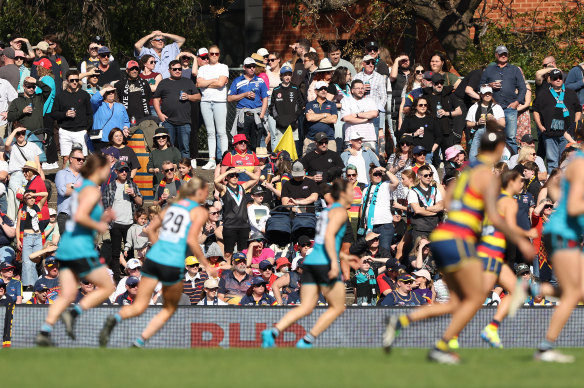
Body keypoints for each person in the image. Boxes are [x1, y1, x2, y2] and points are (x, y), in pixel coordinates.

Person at [383, 130, 534, 364]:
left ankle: (402, 321)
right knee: (474, 299)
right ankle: (445, 345)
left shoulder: (466, 172)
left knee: (457, 302)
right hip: (458, 239)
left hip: (443, 235)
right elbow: (494, 214)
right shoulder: (485, 175)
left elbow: (450, 198)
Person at [99, 176, 216, 347]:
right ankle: (140, 340)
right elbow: (192, 240)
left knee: (140, 304)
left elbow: (149, 229)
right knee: (169, 308)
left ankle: (115, 318)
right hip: (171, 263)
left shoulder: (172, 207)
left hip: (154, 259)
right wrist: (206, 265)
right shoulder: (198, 211)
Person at [507, 125, 584, 362]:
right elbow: (571, 206)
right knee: (574, 292)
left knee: (575, 291)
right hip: (562, 233)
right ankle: (545, 347)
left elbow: (556, 186)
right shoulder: (580, 164)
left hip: (565, 233)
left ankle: (529, 289)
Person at [261, 179, 358, 348]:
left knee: (306, 307)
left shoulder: (327, 211)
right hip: (323, 262)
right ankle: (307, 341)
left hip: (311, 261)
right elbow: (328, 237)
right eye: (350, 191)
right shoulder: (340, 212)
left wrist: (346, 257)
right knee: (338, 307)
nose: (354, 194)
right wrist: (335, 264)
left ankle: (273, 332)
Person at [35, 154, 116, 346]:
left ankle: (44, 333)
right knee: (108, 287)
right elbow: (81, 216)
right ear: (99, 169)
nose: (109, 171)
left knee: (68, 294)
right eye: (107, 167)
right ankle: (74, 313)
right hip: (80, 247)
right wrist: (100, 226)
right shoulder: (92, 191)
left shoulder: (81, 188)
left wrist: (101, 219)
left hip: (67, 246)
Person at [477, 170, 538, 349]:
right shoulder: (509, 202)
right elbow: (510, 227)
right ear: (510, 182)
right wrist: (527, 235)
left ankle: (491, 328)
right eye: (520, 181)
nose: (522, 184)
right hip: (494, 252)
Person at [102, 160, 143, 283]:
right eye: (121, 170)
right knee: (115, 253)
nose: (124, 172)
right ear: (116, 171)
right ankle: (116, 278)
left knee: (129, 252)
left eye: (126, 170)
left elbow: (141, 203)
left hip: (130, 223)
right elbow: (105, 206)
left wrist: (134, 195)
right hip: (115, 224)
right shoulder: (110, 186)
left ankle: (132, 276)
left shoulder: (132, 185)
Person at [480, 46, 527, 152]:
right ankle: (492, 162)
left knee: (511, 138)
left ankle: (513, 164)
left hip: (510, 108)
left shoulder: (515, 70)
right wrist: (489, 85)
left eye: (505, 53)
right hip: (492, 109)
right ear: (496, 55)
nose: (503, 56)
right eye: (501, 54)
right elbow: (480, 86)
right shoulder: (489, 70)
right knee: (492, 137)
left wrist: (517, 102)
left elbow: (523, 88)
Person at [533, 69, 581, 172]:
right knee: (552, 161)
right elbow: (535, 110)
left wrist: (575, 124)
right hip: (549, 133)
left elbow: (578, 110)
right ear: (550, 80)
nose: (558, 80)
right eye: (555, 78)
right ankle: (552, 183)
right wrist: (540, 126)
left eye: (560, 77)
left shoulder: (571, 93)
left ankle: (563, 184)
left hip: (567, 134)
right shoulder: (543, 94)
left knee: (566, 160)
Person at [153, 60, 200, 158]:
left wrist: (188, 97)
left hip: (184, 120)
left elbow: (198, 96)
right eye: (175, 69)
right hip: (168, 120)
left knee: (185, 148)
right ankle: (169, 170)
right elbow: (156, 99)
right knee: (168, 147)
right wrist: (160, 114)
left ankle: (185, 170)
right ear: (169, 70)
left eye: (179, 69)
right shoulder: (163, 83)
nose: (178, 71)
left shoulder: (188, 81)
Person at [214, 167, 258, 263]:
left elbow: (256, 179)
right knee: (228, 253)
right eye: (232, 176)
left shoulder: (242, 187)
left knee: (242, 252)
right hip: (230, 225)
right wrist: (228, 172)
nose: (235, 177)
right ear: (227, 178)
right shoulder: (225, 189)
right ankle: (227, 273)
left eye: (236, 175)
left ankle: (240, 273)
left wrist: (245, 171)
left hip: (243, 225)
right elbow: (216, 181)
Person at [197, 45, 229, 169]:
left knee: (221, 132)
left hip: (219, 101)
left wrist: (207, 82)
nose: (214, 56)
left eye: (216, 53)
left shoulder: (223, 67)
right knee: (210, 132)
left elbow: (221, 83)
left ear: (219, 55)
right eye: (211, 53)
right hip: (205, 101)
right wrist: (213, 80)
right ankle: (212, 159)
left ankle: (226, 159)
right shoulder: (203, 68)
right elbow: (199, 83)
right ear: (208, 55)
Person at [228, 57, 269, 151]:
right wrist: (244, 94)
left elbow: (265, 98)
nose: (252, 68)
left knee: (256, 144)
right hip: (243, 116)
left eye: (253, 66)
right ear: (244, 67)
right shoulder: (237, 81)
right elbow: (229, 98)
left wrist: (262, 115)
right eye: (249, 66)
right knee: (242, 142)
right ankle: (243, 163)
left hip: (257, 115)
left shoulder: (260, 81)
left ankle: (255, 163)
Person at [51, 70, 93, 162]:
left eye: (77, 80)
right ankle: (66, 176)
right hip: (65, 131)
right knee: (66, 159)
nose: (74, 82)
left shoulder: (84, 95)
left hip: (81, 131)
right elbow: (53, 113)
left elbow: (89, 113)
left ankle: (81, 177)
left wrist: (87, 129)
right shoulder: (60, 96)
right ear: (67, 81)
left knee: (81, 159)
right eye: (72, 80)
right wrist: (65, 114)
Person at [357, 166, 399, 251]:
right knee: (371, 251)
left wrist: (385, 170)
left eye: (379, 174)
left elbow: (396, 181)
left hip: (384, 225)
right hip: (370, 226)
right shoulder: (365, 190)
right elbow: (363, 206)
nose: (378, 176)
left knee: (384, 251)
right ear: (370, 175)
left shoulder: (386, 184)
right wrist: (363, 221)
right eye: (375, 174)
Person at [16, 189, 48, 289]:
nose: (32, 199)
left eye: (33, 197)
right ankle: (27, 285)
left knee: (36, 261)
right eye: (29, 198)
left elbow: (45, 194)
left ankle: (34, 285)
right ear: (25, 199)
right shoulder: (22, 210)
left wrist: (34, 194)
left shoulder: (38, 206)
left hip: (38, 236)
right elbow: (18, 226)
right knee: (26, 262)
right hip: (26, 237)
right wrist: (18, 240)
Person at [466, 86, 506, 162]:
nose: (488, 95)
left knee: (494, 155)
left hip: (493, 132)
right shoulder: (474, 107)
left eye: (489, 94)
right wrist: (477, 122)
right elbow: (468, 124)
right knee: (473, 155)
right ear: (481, 95)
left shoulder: (497, 107)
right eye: (485, 94)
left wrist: (494, 120)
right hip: (478, 132)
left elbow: (503, 124)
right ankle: (473, 168)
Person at [268, 66, 303, 149]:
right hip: (280, 125)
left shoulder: (295, 88)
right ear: (281, 76)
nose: (287, 77)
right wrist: (278, 119)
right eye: (285, 75)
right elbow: (272, 107)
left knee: (292, 147)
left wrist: (294, 118)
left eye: (289, 75)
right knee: (281, 148)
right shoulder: (276, 90)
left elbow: (300, 105)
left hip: (293, 125)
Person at [407, 165, 444, 240]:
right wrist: (434, 212)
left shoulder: (435, 190)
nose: (428, 177)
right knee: (419, 251)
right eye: (425, 175)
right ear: (419, 176)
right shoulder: (413, 191)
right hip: (420, 229)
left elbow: (441, 207)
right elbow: (417, 210)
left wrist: (425, 208)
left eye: (430, 175)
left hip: (434, 228)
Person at [341, 80, 379, 151]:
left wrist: (357, 115)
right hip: (351, 139)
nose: (361, 90)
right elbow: (346, 118)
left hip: (368, 138)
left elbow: (374, 113)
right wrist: (365, 119)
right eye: (358, 88)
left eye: (362, 88)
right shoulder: (346, 101)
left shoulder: (370, 101)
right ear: (352, 90)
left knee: (369, 161)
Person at [353, 54, 386, 134]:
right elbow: (352, 94)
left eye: (373, 63)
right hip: (360, 113)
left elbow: (384, 97)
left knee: (374, 138)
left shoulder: (380, 77)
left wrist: (376, 110)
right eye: (368, 63)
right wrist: (361, 89)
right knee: (360, 136)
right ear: (363, 64)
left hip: (374, 114)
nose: (371, 65)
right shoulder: (357, 77)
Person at [90, 85, 130, 149]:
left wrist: (125, 128)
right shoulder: (98, 105)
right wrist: (105, 89)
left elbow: (126, 121)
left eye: (112, 91)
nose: (111, 93)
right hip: (100, 140)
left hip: (116, 141)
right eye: (108, 92)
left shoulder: (120, 106)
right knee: (101, 159)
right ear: (104, 93)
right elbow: (93, 99)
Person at [55, 147, 84, 233]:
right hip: (65, 216)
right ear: (71, 159)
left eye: (83, 159)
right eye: (79, 159)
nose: (81, 161)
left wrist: (71, 186)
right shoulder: (61, 174)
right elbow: (62, 191)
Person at [303, 81, 338, 153]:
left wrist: (315, 116)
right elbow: (309, 118)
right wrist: (325, 115)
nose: (323, 91)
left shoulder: (332, 104)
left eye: (325, 89)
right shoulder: (309, 104)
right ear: (316, 91)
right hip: (311, 139)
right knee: (308, 162)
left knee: (331, 163)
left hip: (329, 140)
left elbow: (333, 120)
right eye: (321, 89)